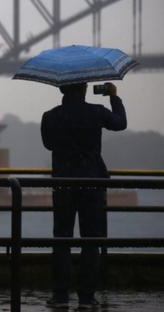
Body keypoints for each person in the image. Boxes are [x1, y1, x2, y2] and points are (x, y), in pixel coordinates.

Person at [41, 82, 127, 309]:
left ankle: (60, 296)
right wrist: (114, 97)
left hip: (63, 184)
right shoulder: (96, 112)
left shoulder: (50, 116)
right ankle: (87, 298)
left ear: (61, 89)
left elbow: (48, 144)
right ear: (86, 89)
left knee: (62, 239)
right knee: (91, 240)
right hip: (92, 183)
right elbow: (120, 124)